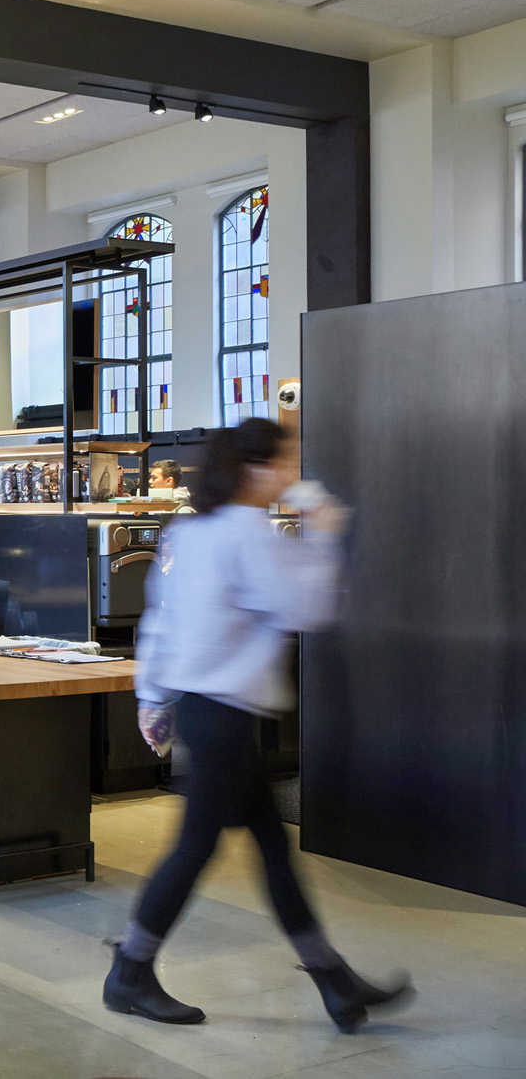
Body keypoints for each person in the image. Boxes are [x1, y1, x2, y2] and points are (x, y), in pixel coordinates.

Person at [108, 418, 409, 1032]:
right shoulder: (250, 533)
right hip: (224, 712)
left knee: (271, 848)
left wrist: (154, 698)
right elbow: (312, 608)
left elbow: (160, 624)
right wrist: (323, 535)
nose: (297, 470)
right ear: (257, 469)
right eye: (289, 459)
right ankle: (130, 971)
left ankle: (333, 980)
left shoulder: (192, 533)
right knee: (199, 846)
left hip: (206, 708)